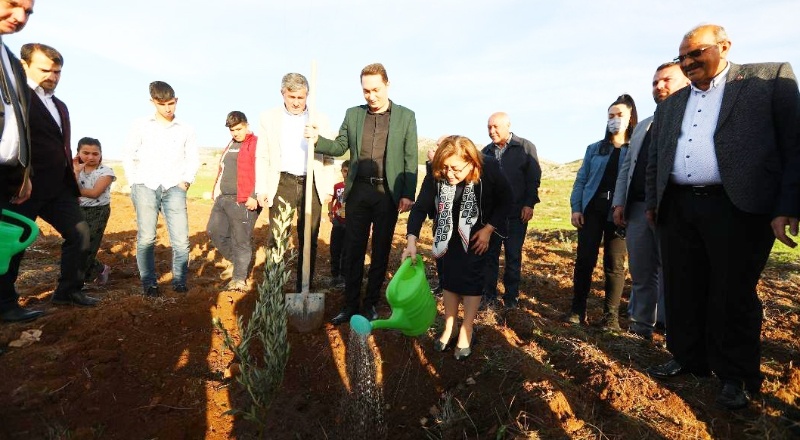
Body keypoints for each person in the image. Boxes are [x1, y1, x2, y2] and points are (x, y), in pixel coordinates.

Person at [644, 24, 800, 410]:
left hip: (738, 205)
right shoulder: (670, 104)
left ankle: (738, 375)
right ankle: (689, 357)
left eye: (696, 53)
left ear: (725, 46)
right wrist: (654, 202)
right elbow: (656, 158)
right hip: (678, 207)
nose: (689, 62)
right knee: (682, 288)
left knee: (731, 292)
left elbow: (794, 144)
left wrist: (788, 205)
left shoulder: (769, 78)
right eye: (683, 57)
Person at [307, 63, 418, 325]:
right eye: (366, 91)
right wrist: (317, 140)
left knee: (380, 251)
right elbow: (340, 146)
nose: (371, 96)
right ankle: (349, 305)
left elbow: (410, 157)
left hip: (387, 194)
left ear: (387, 85)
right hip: (358, 192)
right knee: (353, 248)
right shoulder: (353, 115)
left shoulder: (406, 116)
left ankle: (370, 305)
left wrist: (407, 193)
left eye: (376, 90)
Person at [403, 135, 512, 360]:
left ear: (471, 162)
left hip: (478, 234)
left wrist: (489, 230)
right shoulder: (438, 172)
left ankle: (467, 329)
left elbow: (507, 200)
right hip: (445, 233)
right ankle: (450, 325)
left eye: (455, 169)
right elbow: (420, 206)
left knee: (471, 279)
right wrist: (411, 240)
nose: (449, 175)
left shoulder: (488, 167)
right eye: (445, 169)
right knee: (448, 277)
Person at [7, 43, 99, 309]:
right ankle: (5, 303)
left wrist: (71, 183)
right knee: (14, 244)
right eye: (45, 70)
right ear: (24, 66)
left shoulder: (60, 105)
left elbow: (60, 145)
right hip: (21, 186)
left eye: (57, 72)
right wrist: (17, 176)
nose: (52, 76)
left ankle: (69, 291)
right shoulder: (13, 97)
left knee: (80, 234)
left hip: (59, 188)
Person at [612, 63, 689, 340]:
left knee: (674, 272)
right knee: (642, 272)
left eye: (667, 80)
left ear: (686, 81)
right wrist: (619, 203)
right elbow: (627, 169)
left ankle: (671, 330)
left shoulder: (691, 118)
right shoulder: (644, 126)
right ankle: (640, 327)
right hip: (636, 209)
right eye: (655, 82)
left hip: (672, 210)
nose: (659, 86)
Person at [254, 72, 334, 293]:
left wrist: (327, 187)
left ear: (307, 95)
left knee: (309, 237)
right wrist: (261, 188)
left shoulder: (320, 119)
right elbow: (263, 155)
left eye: (301, 97)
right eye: (292, 97)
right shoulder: (268, 118)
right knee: (277, 236)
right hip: (283, 181)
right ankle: (274, 288)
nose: (297, 102)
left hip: (313, 183)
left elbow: (329, 156)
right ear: (283, 94)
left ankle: (304, 287)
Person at [565, 94, 637, 330]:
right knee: (585, 260)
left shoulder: (635, 148)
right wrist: (576, 208)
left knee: (614, 263)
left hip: (619, 214)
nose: (614, 120)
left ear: (630, 118)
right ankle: (577, 310)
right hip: (592, 210)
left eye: (620, 115)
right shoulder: (595, 149)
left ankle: (611, 317)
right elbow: (581, 180)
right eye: (611, 116)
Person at [123, 81, 199, 297]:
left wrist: (186, 182)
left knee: (181, 240)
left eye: (171, 103)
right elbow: (128, 153)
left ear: (177, 101)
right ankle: (149, 283)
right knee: (147, 238)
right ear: (152, 102)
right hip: (145, 185)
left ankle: (179, 281)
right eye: (162, 104)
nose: (167, 108)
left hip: (174, 187)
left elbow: (192, 158)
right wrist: (133, 182)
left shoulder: (186, 129)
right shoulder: (140, 125)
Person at [0, 0, 41, 323]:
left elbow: (18, 123)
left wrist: (23, 172)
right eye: (13, 4)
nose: (20, 17)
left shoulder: (11, 62)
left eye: (27, 11)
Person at [481, 112, 541, 309]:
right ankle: (488, 297)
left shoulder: (525, 147)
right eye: (489, 127)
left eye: (496, 127)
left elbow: (533, 179)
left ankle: (511, 299)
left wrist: (529, 204)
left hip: (516, 215)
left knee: (513, 257)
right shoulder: (486, 152)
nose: (492, 131)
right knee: (489, 257)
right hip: (492, 217)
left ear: (508, 126)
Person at [207, 111, 259, 292]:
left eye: (238, 128)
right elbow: (223, 169)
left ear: (246, 125)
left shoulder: (255, 144)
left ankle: (239, 279)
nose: (236, 133)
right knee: (214, 231)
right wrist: (216, 191)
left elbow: (263, 170)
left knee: (240, 240)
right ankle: (236, 263)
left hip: (243, 200)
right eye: (232, 130)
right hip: (223, 198)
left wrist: (255, 194)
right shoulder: (231, 145)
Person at [74, 137, 115, 286]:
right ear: (78, 153)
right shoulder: (73, 169)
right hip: (77, 210)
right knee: (76, 245)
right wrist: (76, 172)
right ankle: (100, 268)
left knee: (88, 247)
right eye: (86, 153)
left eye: (95, 154)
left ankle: (79, 281)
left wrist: (73, 189)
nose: (90, 157)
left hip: (98, 211)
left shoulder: (106, 172)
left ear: (101, 155)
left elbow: (94, 193)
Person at [327, 161, 348, 288]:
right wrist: (330, 213)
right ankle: (335, 275)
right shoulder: (337, 186)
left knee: (347, 250)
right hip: (338, 222)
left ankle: (344, 275)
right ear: (341, 171)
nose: (347, 173)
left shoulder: (356, 187)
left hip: (350, 224)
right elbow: (331, 200)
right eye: (345, 170)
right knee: (335, 249)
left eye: (350, 171)